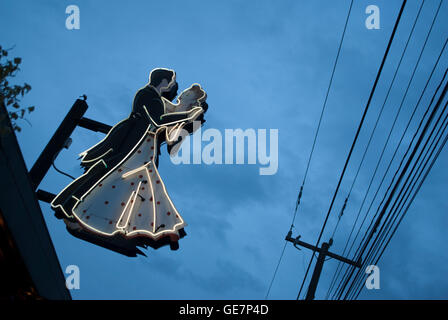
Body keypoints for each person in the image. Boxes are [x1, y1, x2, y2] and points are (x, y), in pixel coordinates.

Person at [51, 68, 207, 256]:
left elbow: (170, 134)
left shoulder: (159, 100)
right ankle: (72, 207)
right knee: (107, 176)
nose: (176, 88)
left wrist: (186, 117)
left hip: (144, 147)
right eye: (172, 83)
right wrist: (187, 116)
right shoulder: (149, 96)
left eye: (184, 92)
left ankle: (139, 226)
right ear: (164, 82)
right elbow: (157, 120)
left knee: (135, 186)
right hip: (131, 143)